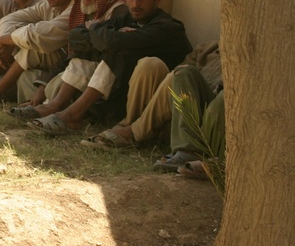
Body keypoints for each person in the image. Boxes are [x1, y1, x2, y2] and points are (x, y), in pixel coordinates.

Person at [28, 0, 192, 135]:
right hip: (118, 93)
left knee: (116, 51)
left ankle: (73, 114)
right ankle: (57, 106)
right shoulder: (127, 18)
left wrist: (96, 27)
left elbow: (115, 42)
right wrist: (104, 32)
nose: (136, 4)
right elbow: (75, 36)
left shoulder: (168, 27)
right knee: (91, 50)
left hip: (153, 105)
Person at [15, 0, 129, 119]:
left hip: (105, 84)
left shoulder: (120, 12)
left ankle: (55, 110)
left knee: (60, 81)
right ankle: (46, 107)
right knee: (31, 79)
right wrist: (43, 84)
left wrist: (86, 35)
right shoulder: (91, 10)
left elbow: (93, 48)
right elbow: (75, 42)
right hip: (83, 71)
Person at [79, 40, 221, 158]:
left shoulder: (241, 60)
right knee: (151, 64)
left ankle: (134, 133)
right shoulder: (206, 48)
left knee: (183, 74)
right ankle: (130, 124)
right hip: (173, 115)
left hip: (201, 121)